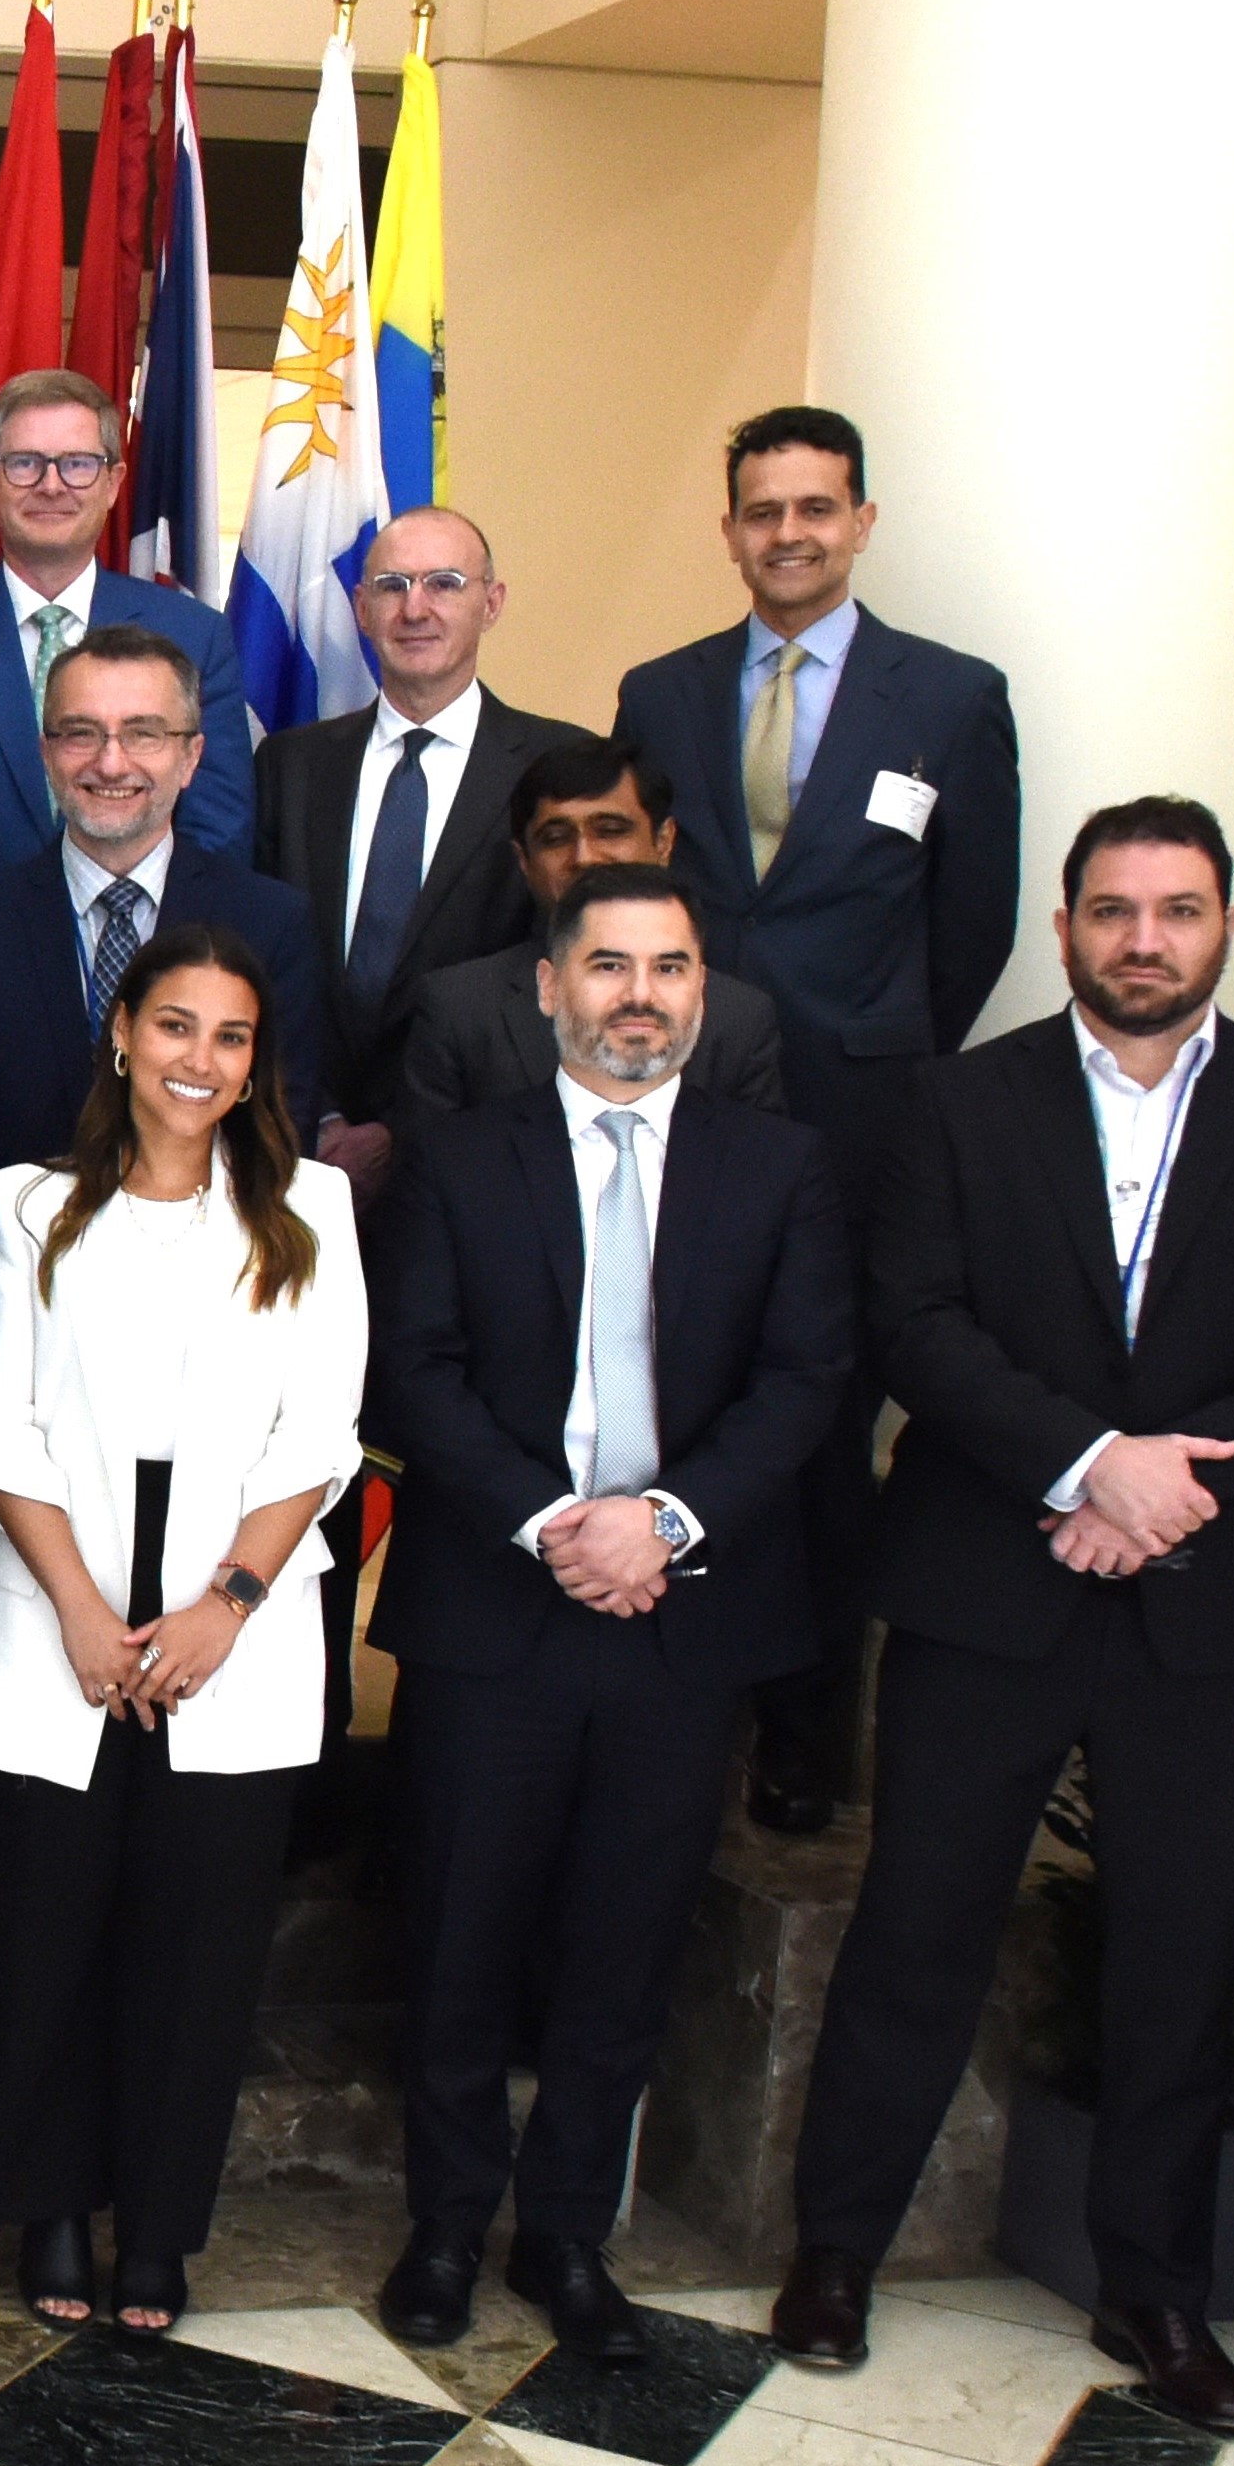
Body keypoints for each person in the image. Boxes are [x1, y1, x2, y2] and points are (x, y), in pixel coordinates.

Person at [771, 800, 1234, 2434]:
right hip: (991, 1575)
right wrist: (1082, 1458)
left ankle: (1154, 2281)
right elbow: (912, 1319)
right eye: (1112, 909)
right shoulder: (954, 1103)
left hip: (1208, 1596)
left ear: (1225, 922)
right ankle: (835, 2249)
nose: (1143, 939)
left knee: (1180, 1958)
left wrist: (1172, 1483)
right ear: (1062, 927)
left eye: (1175, 909)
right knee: (915, 1927)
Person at [362, 865, 853, 2361]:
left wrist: (662, 1520)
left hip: (681, 1611)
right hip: (493, 1606)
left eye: (669, 968)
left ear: (704, 991)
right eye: (608, 966)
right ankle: (443, 2227)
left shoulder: (779, 1167)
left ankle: (567, 2233)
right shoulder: (453, 1158)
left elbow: (804, 1377)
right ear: (546, 986)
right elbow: (410, 1372)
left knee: (621, 1942)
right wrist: (553, 1521)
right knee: (456, 1936)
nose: (638, 994)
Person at [0, 924, 362, 2338]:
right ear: (121, 1034)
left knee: (194, 1951)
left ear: (255, 1065)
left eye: (230, 1036)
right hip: (50, 1623)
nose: (199, 1058)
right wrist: (77, 1608)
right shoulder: (24, 1204)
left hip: (227, 1643)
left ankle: (157, 2225)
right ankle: (49, 2201)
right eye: (174, 1025)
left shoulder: (310, 1209)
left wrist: (221, 1606)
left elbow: (321, 1435)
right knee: (40, 1934)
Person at [615, 404, 1021, 1832]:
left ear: (858, 520)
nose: (786, 533)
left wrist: (879, 1053)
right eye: (760, 510)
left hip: (859, 1119)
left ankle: (805, 1733)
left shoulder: (950, 697)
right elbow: (636, 894)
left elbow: (966, 927)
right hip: (683, 1100)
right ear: (727, 528)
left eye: (813, 507)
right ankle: (678, 1694)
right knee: (683, 1397)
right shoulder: (657, 693)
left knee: (825, 1421)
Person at [0, 626, 325, 1166]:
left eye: (143, 733)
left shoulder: (271, 923)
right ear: (46, 753)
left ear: (192, 757)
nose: (111, 763)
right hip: (17, 1241)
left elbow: (281, 1131)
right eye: (81, 733)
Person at [245, 506, 592, 1155]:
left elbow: (558, 969)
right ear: (360, 608)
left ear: (491, 604)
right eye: (392, 586)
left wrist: (400, 1137)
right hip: (298, 1151)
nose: (415, 608)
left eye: (445, 584)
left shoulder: (557, 770)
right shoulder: (290, 766)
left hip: (477, 1150)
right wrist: (319, 1122)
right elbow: (259, 958)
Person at [0, 368, 256, 898]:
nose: (51, 485)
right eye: (25, 463)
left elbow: (218, 830)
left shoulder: (193, 636)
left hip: (148, 959)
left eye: (77, 465)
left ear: (114, 482)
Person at [399, 742, 791, 1130]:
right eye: (555, 838)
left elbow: (760, 1179)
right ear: (524, 861)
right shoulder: (459, 1010)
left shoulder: (739, 1019)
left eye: (610, 831)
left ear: (664, 841)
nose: (584, 856)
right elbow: (432, 1180)